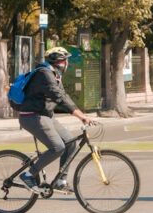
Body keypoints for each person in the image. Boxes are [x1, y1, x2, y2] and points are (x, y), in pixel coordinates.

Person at [18, 47, 95, 193]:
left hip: (45, 115)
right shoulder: (44, 74)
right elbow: (58, 97)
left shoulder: (54, 75)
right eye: (65, 60)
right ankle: (28, 175)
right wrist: (80, 116)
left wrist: (81, 114)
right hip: (32, 116)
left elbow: (64, 96)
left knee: (71, 143)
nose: (67, 64)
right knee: (58, 147)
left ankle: (61, 181)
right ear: (59, 62)